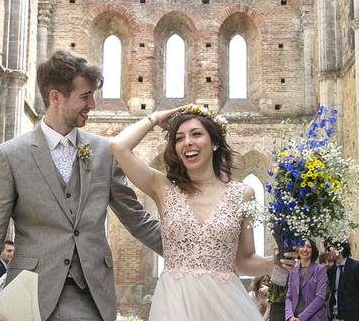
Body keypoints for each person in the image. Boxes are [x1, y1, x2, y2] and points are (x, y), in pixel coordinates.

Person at [0, 50, 162, 321]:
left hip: (92, 298)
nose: (92, 104)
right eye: (85, 96)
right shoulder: (10, 156)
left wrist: (198, 248)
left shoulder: (104, 152)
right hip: (31, 300)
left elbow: (138, 220)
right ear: (55, 97)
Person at [109, 103, 278, 320]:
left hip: (225, 306)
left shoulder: (243, 194)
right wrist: (156, 117)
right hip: (174, 303)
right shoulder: (162, 187)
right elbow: (118, 146)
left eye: (196, 134)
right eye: (179, 138)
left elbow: (243, 261)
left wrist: (272, 263)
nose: (187, 142)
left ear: (214, 142)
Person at [326, 240, 359, 321]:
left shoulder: (356, 267)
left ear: (339, 249)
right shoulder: (331, 271)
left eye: (329, 248)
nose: (327, 252)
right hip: (335, 317)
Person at [285, 240, 328, 321]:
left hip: (315, 318)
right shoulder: (293, 271)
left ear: (313, 250)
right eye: (302, 246)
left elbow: (320, 298)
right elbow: (289, 297)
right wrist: (290, 316)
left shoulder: (320, 269)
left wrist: (301, 318)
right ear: (297, 249)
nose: (305, 249)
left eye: (308, 247)